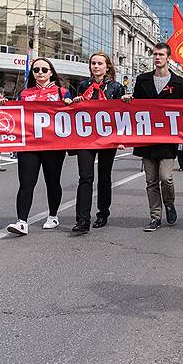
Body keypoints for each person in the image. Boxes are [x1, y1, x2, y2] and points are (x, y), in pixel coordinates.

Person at [123, 43, 183, 232]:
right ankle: (155, 216)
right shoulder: (143, 79)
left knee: (165, 177)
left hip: (168, 140)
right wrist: (129, 100)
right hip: (146, 138)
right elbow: (135, 105)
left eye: (161, 54)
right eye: (155, 54)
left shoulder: (180, 83)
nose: (157, 57)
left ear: (168, 57)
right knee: (151, 181)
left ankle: (169, 203)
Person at [1, 57, 72, 236]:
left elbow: (73, 115)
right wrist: (2, 105)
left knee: (52, 182)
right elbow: (14, 115)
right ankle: (21, 221)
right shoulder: (24, 93)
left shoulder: (62, 92)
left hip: (53, 146)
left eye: (44, 70)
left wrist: (71, 105)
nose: (40, 73)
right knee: (26, 183)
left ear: (51, 72)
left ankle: (53, 216)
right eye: (36, 70)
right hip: (29, 145)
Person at [69, 51, 125, 234]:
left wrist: (121, 138)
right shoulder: (84, 85)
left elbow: (121, 114)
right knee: (85, 177)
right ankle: (82, 220)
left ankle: (103, 212)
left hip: (107, 137)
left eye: (100, 63)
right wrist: (75, 102)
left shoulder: (116, 87)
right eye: (93, 63)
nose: (96, 66)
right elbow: (76, 111)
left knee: (104, 176)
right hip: (86, 137)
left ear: (107, 66)